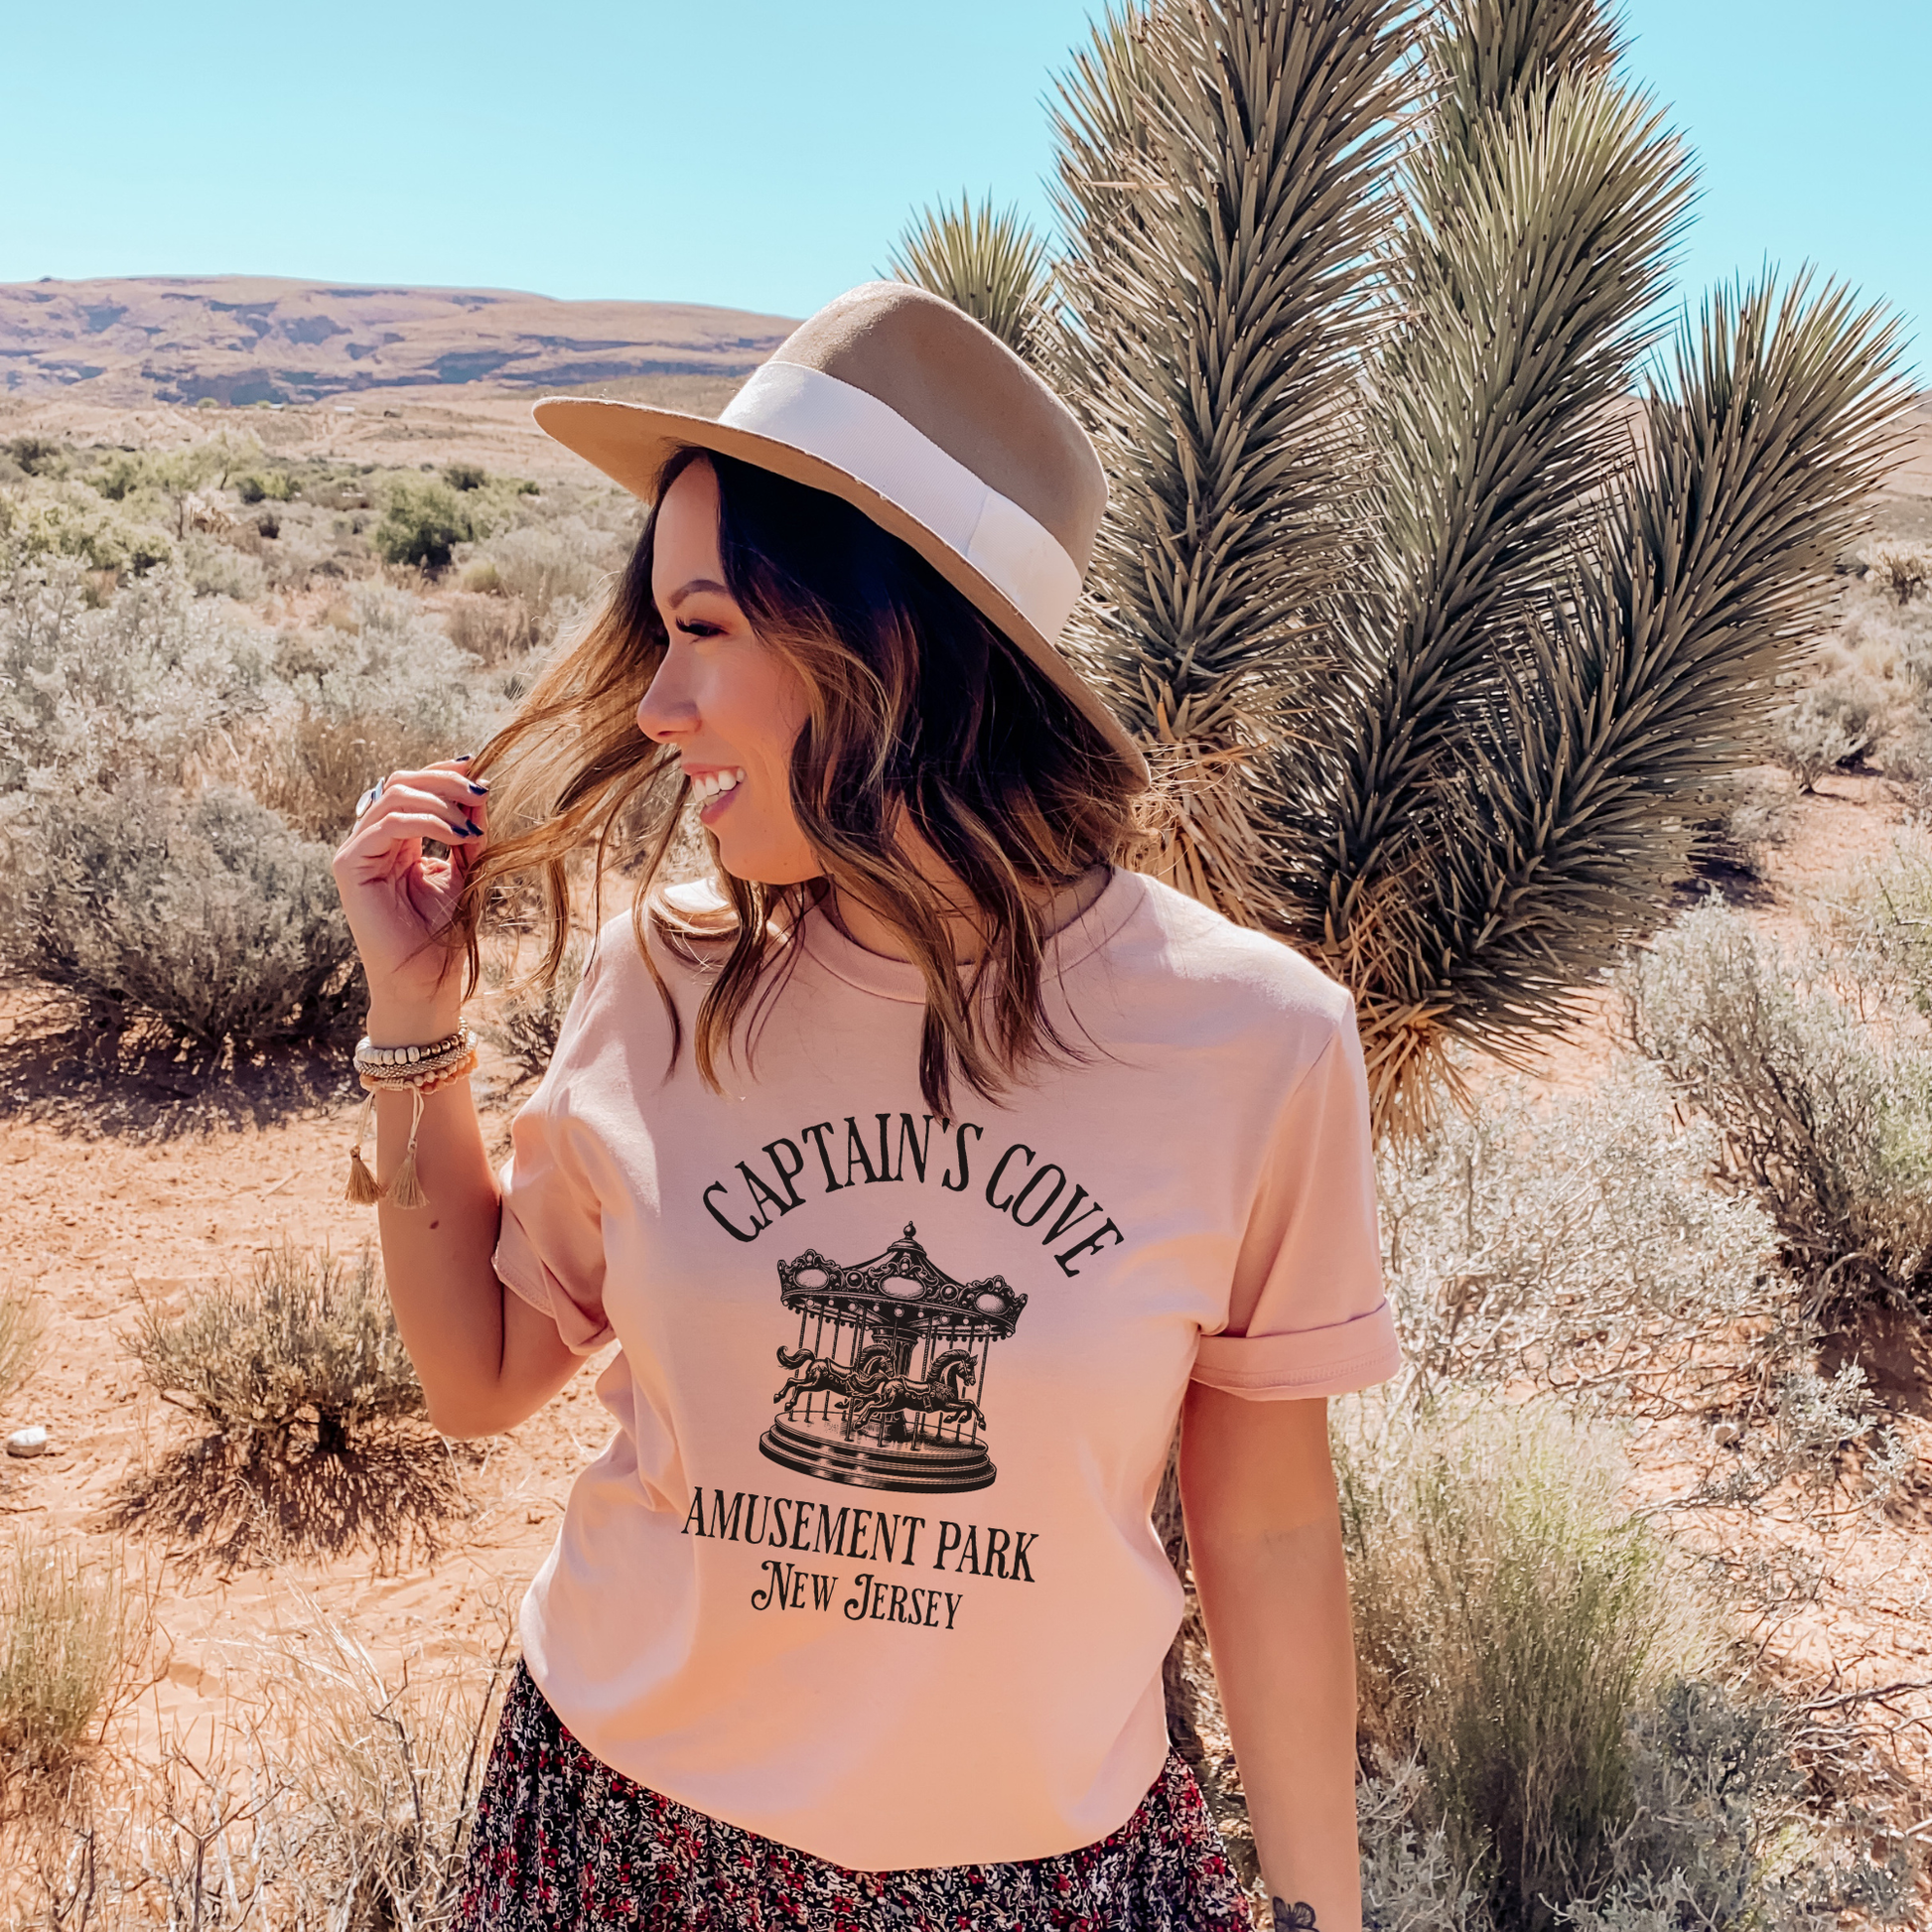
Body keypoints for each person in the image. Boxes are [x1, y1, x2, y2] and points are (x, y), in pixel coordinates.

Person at [333, 281, 1400, 1932]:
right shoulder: (664, 977)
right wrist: (415, 1024)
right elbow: (479, 1375)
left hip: (1041, 1879)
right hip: (624, 1842)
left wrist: (1327, 1918)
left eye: (702, 630)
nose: (655, 705)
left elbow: (1262, 1533)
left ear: (880, 637)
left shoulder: (1252, 1042)